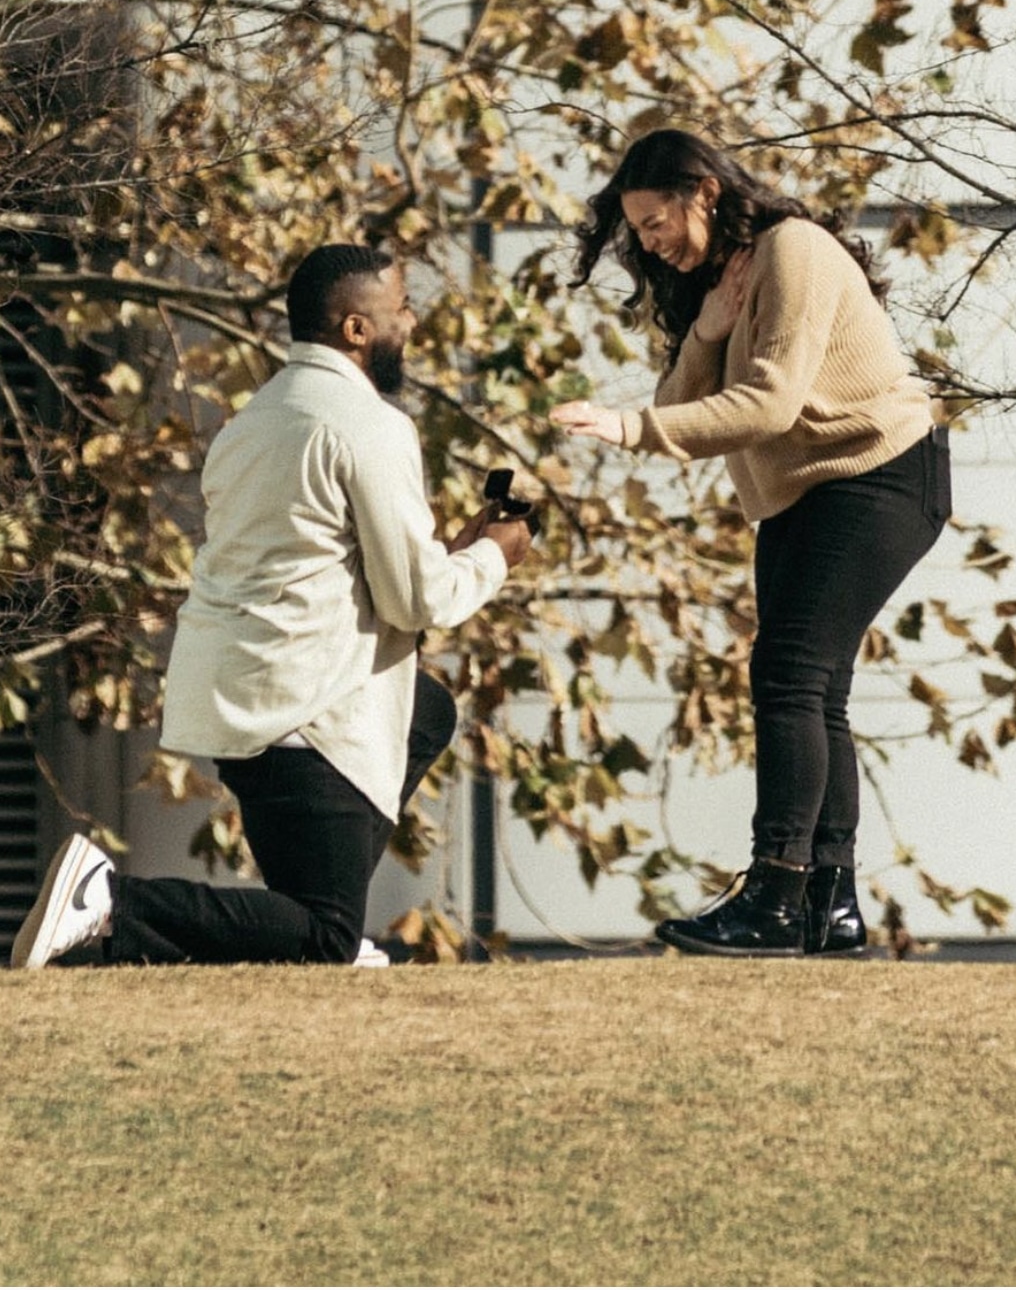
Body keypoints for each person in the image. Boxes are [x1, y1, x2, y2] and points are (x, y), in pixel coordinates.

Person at [12, 242, 534, 969]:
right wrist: (493, 555)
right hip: (307, 706)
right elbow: (417, 601)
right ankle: (111, 899)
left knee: (424, 711)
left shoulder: (254, 419)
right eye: (401, 307)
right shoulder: (368, 424)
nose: (412, 322)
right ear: (355, 329)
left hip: (243, 693)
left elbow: (327, 564)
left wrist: (449, 550)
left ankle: (98, 949)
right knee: (321, 936)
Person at [550, 129, 950, 958]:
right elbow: (682, 395)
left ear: (703, 190)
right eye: (637, 230)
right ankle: (826, 905)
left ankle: (773, 893)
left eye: (656, 220)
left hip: (876, 472)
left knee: (787, 675)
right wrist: (705, 330)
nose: (650, 241)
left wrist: (629, 427)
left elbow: (766, 406)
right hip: (805, 491)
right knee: (816, 688)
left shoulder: (791, 249)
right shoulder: (725, 280)